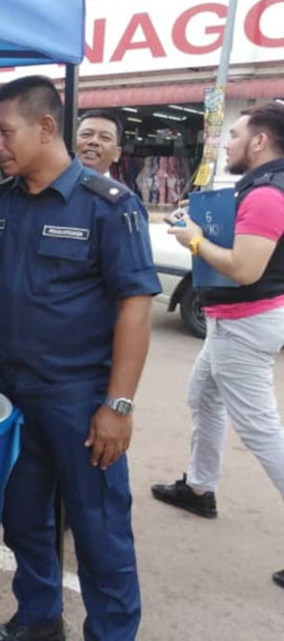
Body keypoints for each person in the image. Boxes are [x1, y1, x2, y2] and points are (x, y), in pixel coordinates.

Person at [0, 76, 160, 641]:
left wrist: (118, 405)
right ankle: (38, 620)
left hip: (80, 398)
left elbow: (135, 308)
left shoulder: (109, 207)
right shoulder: (2, 201)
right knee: (24, 517)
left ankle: (111, 634)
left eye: (4, 132)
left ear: (46, 127)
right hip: (12, 392)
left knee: (100, 533)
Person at [151, 103, 284, 591]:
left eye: (236, 135)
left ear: (260, 142)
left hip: (245, 324)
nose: (227, 143)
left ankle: (200, 486)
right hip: (236, 321)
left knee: (262, 432)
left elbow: (245, 269)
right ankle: (199, 488)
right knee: (203, 398)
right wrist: (199, 226)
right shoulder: (260, 188)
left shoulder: (269, 194)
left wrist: (193, 240)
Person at [75, 110, 123, 176]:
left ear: (117, 154)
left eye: (105, 137)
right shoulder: (56, 182)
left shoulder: (116, 186)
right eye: (86, 134)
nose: (94, 141)